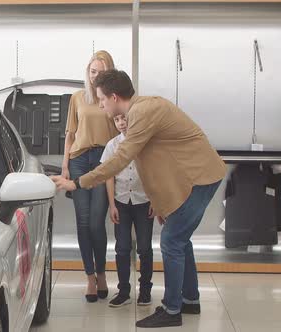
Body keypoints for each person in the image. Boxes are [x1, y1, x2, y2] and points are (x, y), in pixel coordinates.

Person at [51, 69, 226, 328]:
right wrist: (164, 203)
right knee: (180, 238)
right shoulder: (141, 111)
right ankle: (190, 299)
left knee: (172, 241)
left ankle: (172, 309)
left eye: (101, 99)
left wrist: (77, 183)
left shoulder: (142, 113)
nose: (100, 105)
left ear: (113, 96)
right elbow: (152, 165)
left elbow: (121, 158)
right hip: (198, 176)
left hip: (201, 177)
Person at [61, 50, 119, 303]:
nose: (96, 76)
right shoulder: (78, 97)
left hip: (103, 161)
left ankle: (102, 273)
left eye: (101, 72)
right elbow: (70, 135)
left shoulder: (112, 99)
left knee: (97, 222)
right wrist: (65, 166)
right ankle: (90, 277)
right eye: (92, 71)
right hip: (79, 160)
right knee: (83, 223)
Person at [101, 114, 154, 308]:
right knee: (122, 248)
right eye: (117, 120)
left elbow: (153, 172)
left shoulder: (146, 142)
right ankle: (124, 291)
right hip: (121, 201)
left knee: (145, 248)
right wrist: (112, 205)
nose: (121, 123)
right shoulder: (112, 145)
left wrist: (155, 200)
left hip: (143, 201)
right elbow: (108, 176)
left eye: (124, 118)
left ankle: (146, 290)